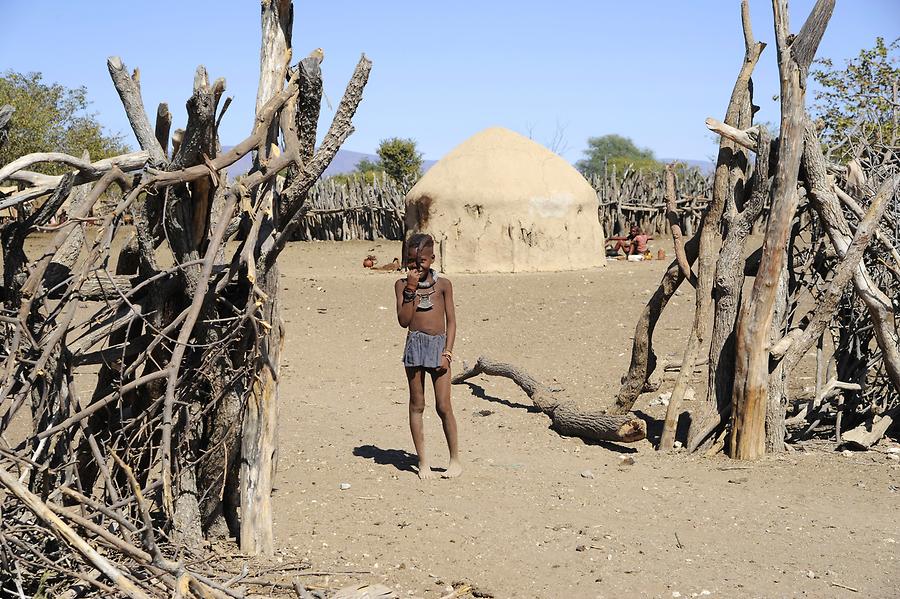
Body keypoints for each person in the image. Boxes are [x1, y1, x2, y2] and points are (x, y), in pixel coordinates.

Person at [394, 233, 461, 480]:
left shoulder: (443, 285)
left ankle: (454, 460)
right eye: (411, 261)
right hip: (415, 346)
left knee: (443, 405)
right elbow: (404, 321)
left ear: (432, 259)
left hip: (439, 346)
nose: (416, 266)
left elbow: (452, 322)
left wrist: (448, 352)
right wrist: (411, 288)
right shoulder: (401, 285)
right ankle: (423, 462)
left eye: (422, 260)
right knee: (417, 404)